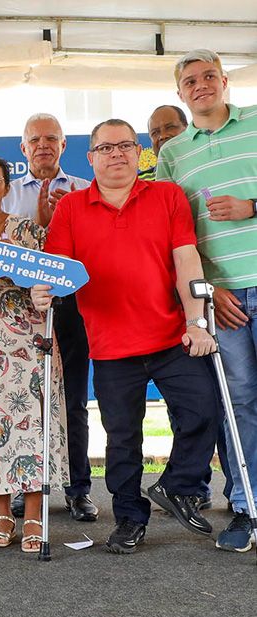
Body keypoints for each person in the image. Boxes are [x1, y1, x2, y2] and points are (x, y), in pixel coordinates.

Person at [32, 118, 221, 554]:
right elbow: (57, 271)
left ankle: (177, 484)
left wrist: (197, 322)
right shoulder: (72, 208)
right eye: (106, 148)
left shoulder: (168, 196)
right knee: (122, 439)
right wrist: (42, 288)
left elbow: (187, 261)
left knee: (203, 412)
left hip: (174, 337)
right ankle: (129, 520)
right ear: (91, 157)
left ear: (140, 154)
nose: (116, 154)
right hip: (112, 347)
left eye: (125, 146)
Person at [156, 49, 257, 553]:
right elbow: (176, 234)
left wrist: (252, 206)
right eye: (190, 80)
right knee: (239, 404)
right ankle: (247, 506)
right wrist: (207, 288)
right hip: (223, 296)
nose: (201, 85)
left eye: (209, 76)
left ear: (224, 82)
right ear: (180, 93)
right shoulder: (173, 154)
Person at [0, 154, 69, 553]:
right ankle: (3, 513)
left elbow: (52, 281)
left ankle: (35, 516)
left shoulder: (28, 231)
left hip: (28, 341)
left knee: (31, 423)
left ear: (7, 187)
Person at [2, 114, 97, 523]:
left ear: (64, 146)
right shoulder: (4, 194)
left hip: (74, 308)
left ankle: (78, 490)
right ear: (23, 148)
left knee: (73, 400)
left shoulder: (86, 189)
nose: (43, 145)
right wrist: (41, 226)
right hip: (22, 312)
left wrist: (72, 220)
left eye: (51, 139)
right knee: (25, 401)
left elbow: (101, 250)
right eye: (34, 140)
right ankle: (28, 487)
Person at [143, 103, 231, 510]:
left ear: (187, 130)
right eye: (156, 133)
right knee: (187, 408)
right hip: (165, 310)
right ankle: (190, 490)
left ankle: (238, 493)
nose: (164, 137)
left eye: (171, 129)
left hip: (211, 300)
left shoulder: (199, 168)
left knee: (225, 404)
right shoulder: (149, 180)